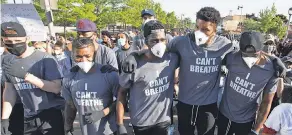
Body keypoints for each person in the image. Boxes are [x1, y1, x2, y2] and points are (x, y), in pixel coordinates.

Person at [1, 22, 65, 135]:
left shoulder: (44, 59)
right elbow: (9, 90)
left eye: (17, 41)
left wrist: (27, 76)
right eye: (9, 42)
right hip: (28, 115)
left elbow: (56, 88)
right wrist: (5, 118)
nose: (14, 44)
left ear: (27, 39)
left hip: (49, 115)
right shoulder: (7, 60)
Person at [117, 20, 178, 135]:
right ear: (146, 41)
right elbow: (121, 93)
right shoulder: (132, 65)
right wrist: (120, 124)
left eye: (162, 40)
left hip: (165, 120)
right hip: (141, 123)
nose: (159, 44)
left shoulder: (172, 59)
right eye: (154, 40)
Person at [217, 31, 280, 135]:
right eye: (245, 54)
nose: (249, 58)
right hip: (225, 115)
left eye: (254, 54)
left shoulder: (272, 70)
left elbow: (266, 102)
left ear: (260, 50)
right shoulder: (232, 58)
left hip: (246, 121)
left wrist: (256, 130)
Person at [62, 38, 119, 135]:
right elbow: (70, 105)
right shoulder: (69, 78)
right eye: (78, 56)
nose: (83, 60)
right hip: (85, 131)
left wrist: (103, 112)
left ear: (94, 54)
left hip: (108, 131)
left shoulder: (109, 74)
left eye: (87, 56)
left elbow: (121, 100)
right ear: (72, 56)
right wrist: (68, 125)